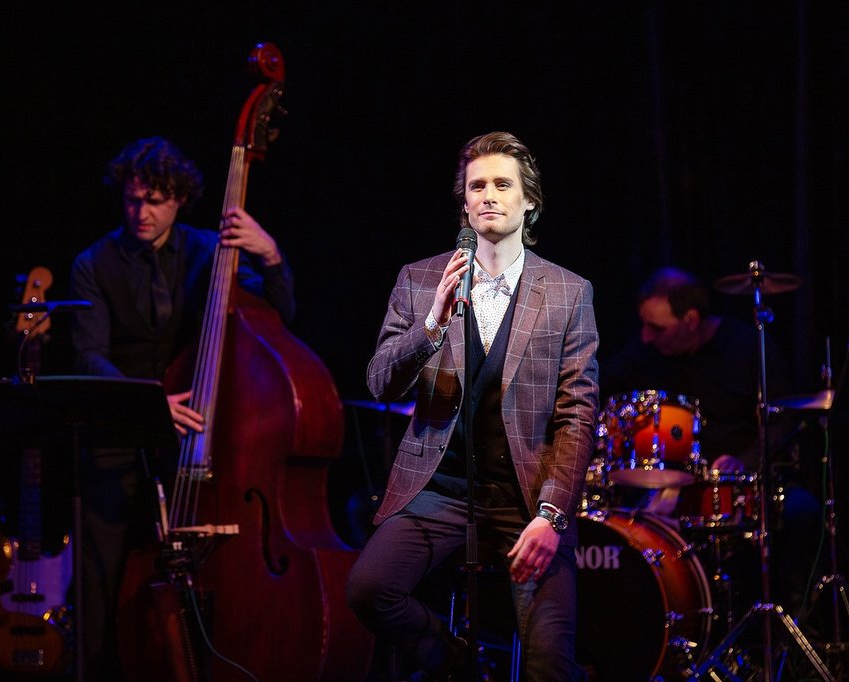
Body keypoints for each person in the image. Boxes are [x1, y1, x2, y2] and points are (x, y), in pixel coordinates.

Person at [346, 131, 600, 681]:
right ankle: (455, 660)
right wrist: (431, 324)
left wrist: (552, 515)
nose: (488, 195)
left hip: (526, 495)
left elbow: (577, 414)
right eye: (476, 186)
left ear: (529, 201)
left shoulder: (568, 292)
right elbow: (381, 383)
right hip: (440, 488)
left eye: (502, 184)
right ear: (463, 203)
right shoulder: (420, 280)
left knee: (549, 664)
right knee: (369, 589)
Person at [68, 136, 295, 679]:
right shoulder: (93, 263)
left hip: (194, 440)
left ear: (179, 200)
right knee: (101, 584)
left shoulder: (211, 252)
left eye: (155, 201)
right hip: (118, 438)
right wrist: (150, 402)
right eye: (133, 199)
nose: (141, 212)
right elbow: (89, 355)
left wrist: (271, 255)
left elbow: (278, 317)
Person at [599, 266, 822, 619]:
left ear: (690, 320)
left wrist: (743, 462)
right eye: (644, 325)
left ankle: (792, 624)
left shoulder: (748, 347)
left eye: (657, 327)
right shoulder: (646, 354)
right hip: (671, 487)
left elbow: (782, 423)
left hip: (745, 484)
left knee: (803, 512)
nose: (645, 336)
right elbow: (602, 388)